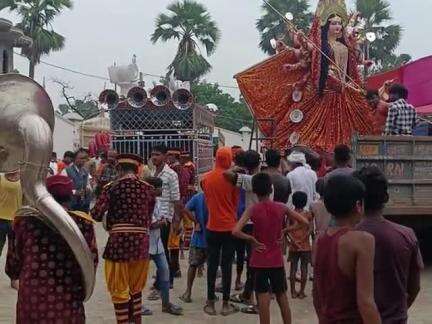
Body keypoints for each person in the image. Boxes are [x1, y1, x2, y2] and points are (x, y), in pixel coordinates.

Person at [6, 174, 98, 324]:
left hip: (33, 300)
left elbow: (12, 265)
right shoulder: (83, 224)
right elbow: (91, 262)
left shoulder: (24, 223)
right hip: (69, 298)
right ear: (70, 197)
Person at [232, 173, 308, 324]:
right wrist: (285, 231)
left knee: (262, 296)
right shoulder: (281, 207)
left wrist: (251, 239)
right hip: (276, 259)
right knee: (281, 295)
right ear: (270, 189)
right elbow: (304, 222)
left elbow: (235, 231)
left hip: (259, 259)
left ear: (254, 190)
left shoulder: (253, 210)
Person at [91, 154, 155, 324]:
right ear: (137, 169)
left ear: (119, 169)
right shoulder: (148, 188)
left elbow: (96, 214)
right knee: (136, 289)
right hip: (141, 244)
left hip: (118, 245)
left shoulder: (111, 187)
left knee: (119, 290)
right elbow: (148, 217)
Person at [354, 166, 423, 323]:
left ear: (357, 200)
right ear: (386, 197)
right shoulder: (406, 235)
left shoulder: (347, 238)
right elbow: (415, 287)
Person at [313, 175, 381, 324]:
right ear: (358, 205)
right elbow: (366, 302)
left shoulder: (319, 240)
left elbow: (317, 295)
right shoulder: (362, 241)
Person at [201, 146, 240, 316]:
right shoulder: (233, 179)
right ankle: (225, 304)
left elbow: (207, 198)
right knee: (226, 265)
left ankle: (210, 302)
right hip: (230, 227)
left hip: (212, 226)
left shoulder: (206, 178)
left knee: (212, 264)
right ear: (229, 158)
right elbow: (235, 202)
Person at [224, 149, 262, 312]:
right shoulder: (264, 179)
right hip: (261, 223)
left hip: (249, 223)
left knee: (251, 261)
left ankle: (251, 296)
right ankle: (248, 293)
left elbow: (226, 175)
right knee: (253, 260)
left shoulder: (249, 179)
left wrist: (235, 169)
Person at [141, 177, 182, 316]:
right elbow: (150, 223)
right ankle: (137, 305)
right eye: (160, 187)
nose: (162, 190)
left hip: (156, 243)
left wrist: (161, 222)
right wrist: (160, 223)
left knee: (165, 272)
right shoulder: (143, 202)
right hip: (145, 243)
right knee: (140, 277)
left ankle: (166, 304)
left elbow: (160, 219)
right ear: (152, 188)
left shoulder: (157, 201)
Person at [150, 144, 182, 289]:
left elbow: (176, 199)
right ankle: (163, 280)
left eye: (157, 154)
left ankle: (165, 281)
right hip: (153, 217)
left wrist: (176, 221)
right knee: (156, 249)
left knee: (161, 250)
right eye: (152, 155)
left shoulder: (171, 174)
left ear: (164, 156)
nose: (154, 157)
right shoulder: (152, 172)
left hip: (164, 218)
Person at [180, 191, 208, 303]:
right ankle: (210, 296)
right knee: (213, 267)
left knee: (193, 265)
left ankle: (188, 292)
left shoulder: (198, 197)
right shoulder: (216, 196)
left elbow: (186, 209)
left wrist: (196, 222)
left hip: (199, 237)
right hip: (213, 237)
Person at [287, 191, 313, 299]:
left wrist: (293, 241)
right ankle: (302, 292)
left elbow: (287, 230)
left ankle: (293, 291)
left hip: (294, 245)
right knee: (304, 268)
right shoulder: (308, 214)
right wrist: (303, 239)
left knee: (293, 268)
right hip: (305, 245)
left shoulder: (290, 213)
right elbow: (310, 229)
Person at [0, 170, 22, 257]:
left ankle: (12, 268)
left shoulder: (24, 179)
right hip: (2, 218)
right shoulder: (1, 177)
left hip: (16, 220)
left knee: (14, 250)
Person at [64, 148, 92, 212]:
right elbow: (63, 189)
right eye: (81, 158)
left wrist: (88, 189)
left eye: (85, 158)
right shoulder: (66, 171)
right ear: (74, 159)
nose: (84, 160)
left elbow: (88, 185)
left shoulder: (85, 171)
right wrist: (75, 192)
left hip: (83, 206)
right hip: (71, 205)